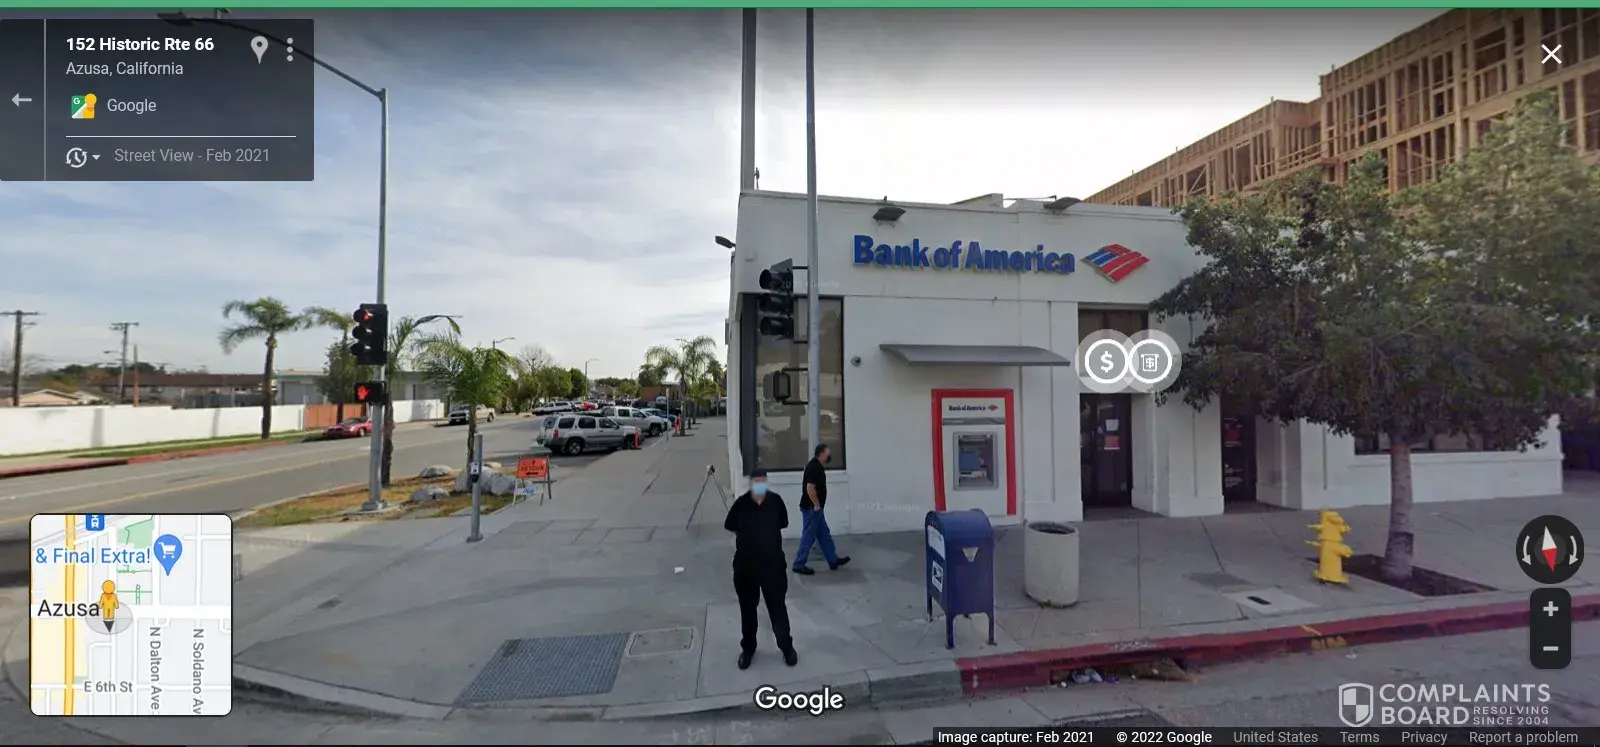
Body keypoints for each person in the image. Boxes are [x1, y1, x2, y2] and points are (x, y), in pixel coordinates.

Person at [724, 468, 797, 669]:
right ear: (750, 483)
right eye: (756, 481)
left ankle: (786, 647)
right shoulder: (741, 504)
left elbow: (783, 522)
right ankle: (748, 649)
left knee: (778, 609)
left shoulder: (776, 502)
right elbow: (730, 525)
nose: (759, 485)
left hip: (772, 567)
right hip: (746, 567)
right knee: (748, 611)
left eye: (762, 481)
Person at [792, 443, 850, 576]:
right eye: (828, 452)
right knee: (808, 537)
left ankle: (833, 560)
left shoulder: (817, 466)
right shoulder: (814, 467)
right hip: (812, 509)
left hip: (816, 509)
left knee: (824, 535)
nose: (830, 455)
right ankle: (799, 564)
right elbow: (810, 487)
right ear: (821, 453)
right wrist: (816, 504)